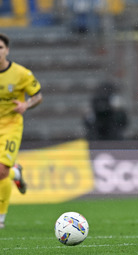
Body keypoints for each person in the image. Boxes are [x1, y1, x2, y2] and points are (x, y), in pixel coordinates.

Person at [0, 33, 43, 229]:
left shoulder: (21, 74)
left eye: (0, 48)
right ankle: (15, 173)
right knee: (5, 171)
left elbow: (37, 96)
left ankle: (0, 217)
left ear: (7, 50)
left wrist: (27, 104)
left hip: (10, 125)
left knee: (1, 170)